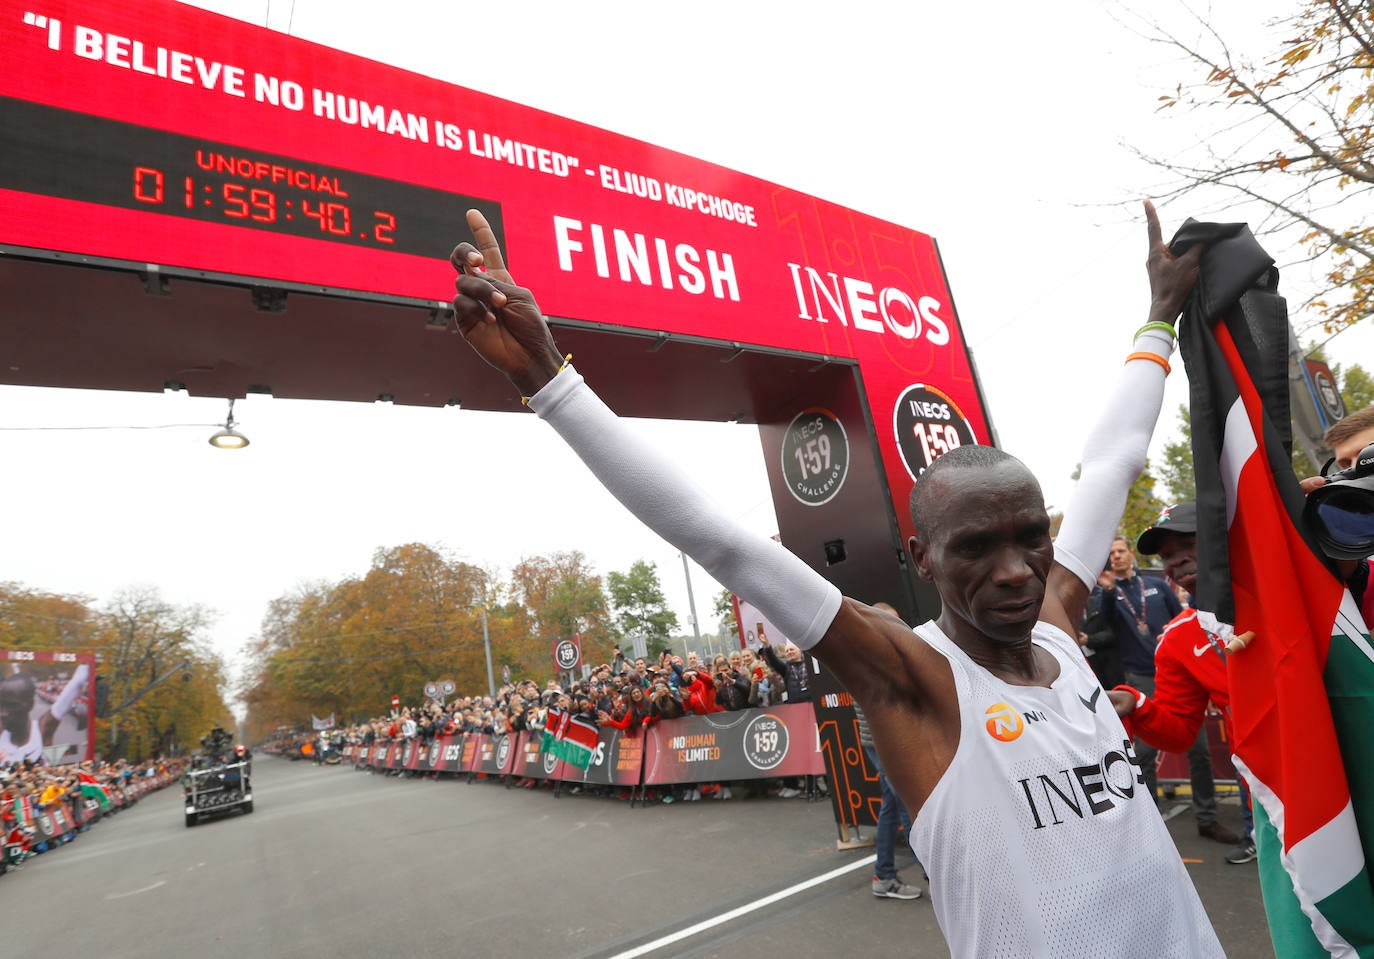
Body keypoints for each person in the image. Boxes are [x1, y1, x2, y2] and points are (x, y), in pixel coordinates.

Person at [448, 202, 1222, 956]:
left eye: (1030, 538)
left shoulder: (1057, 621)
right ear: (922, 558)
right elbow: (721, 540)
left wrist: (1159, 316)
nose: (1016, 569)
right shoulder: (914, 676)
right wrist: (551, 377)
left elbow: (1115, 458)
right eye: (977, 547)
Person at [1108, 502, 1255, 864]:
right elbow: (1178, 733)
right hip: (1270, 792)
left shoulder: (1286, 591)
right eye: (1168, 554)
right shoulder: (1177, 639)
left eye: (1190, 544)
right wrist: (1138, 705)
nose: (1178, 560)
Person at [1093, 537, 1234, 844]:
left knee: (1199, 752)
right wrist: (1105, 592)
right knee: (1143, 755)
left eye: (1119, 551)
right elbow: (1102, 629)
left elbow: (1186, 620)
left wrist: (1204, 671)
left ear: (1130, 554)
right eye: (1111, 553)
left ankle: (1207, 818)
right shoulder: (1108, 592)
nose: (1115, 557)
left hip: (1182, 672)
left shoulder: (1158, 587)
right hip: (1139, 678)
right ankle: (1151, 822)